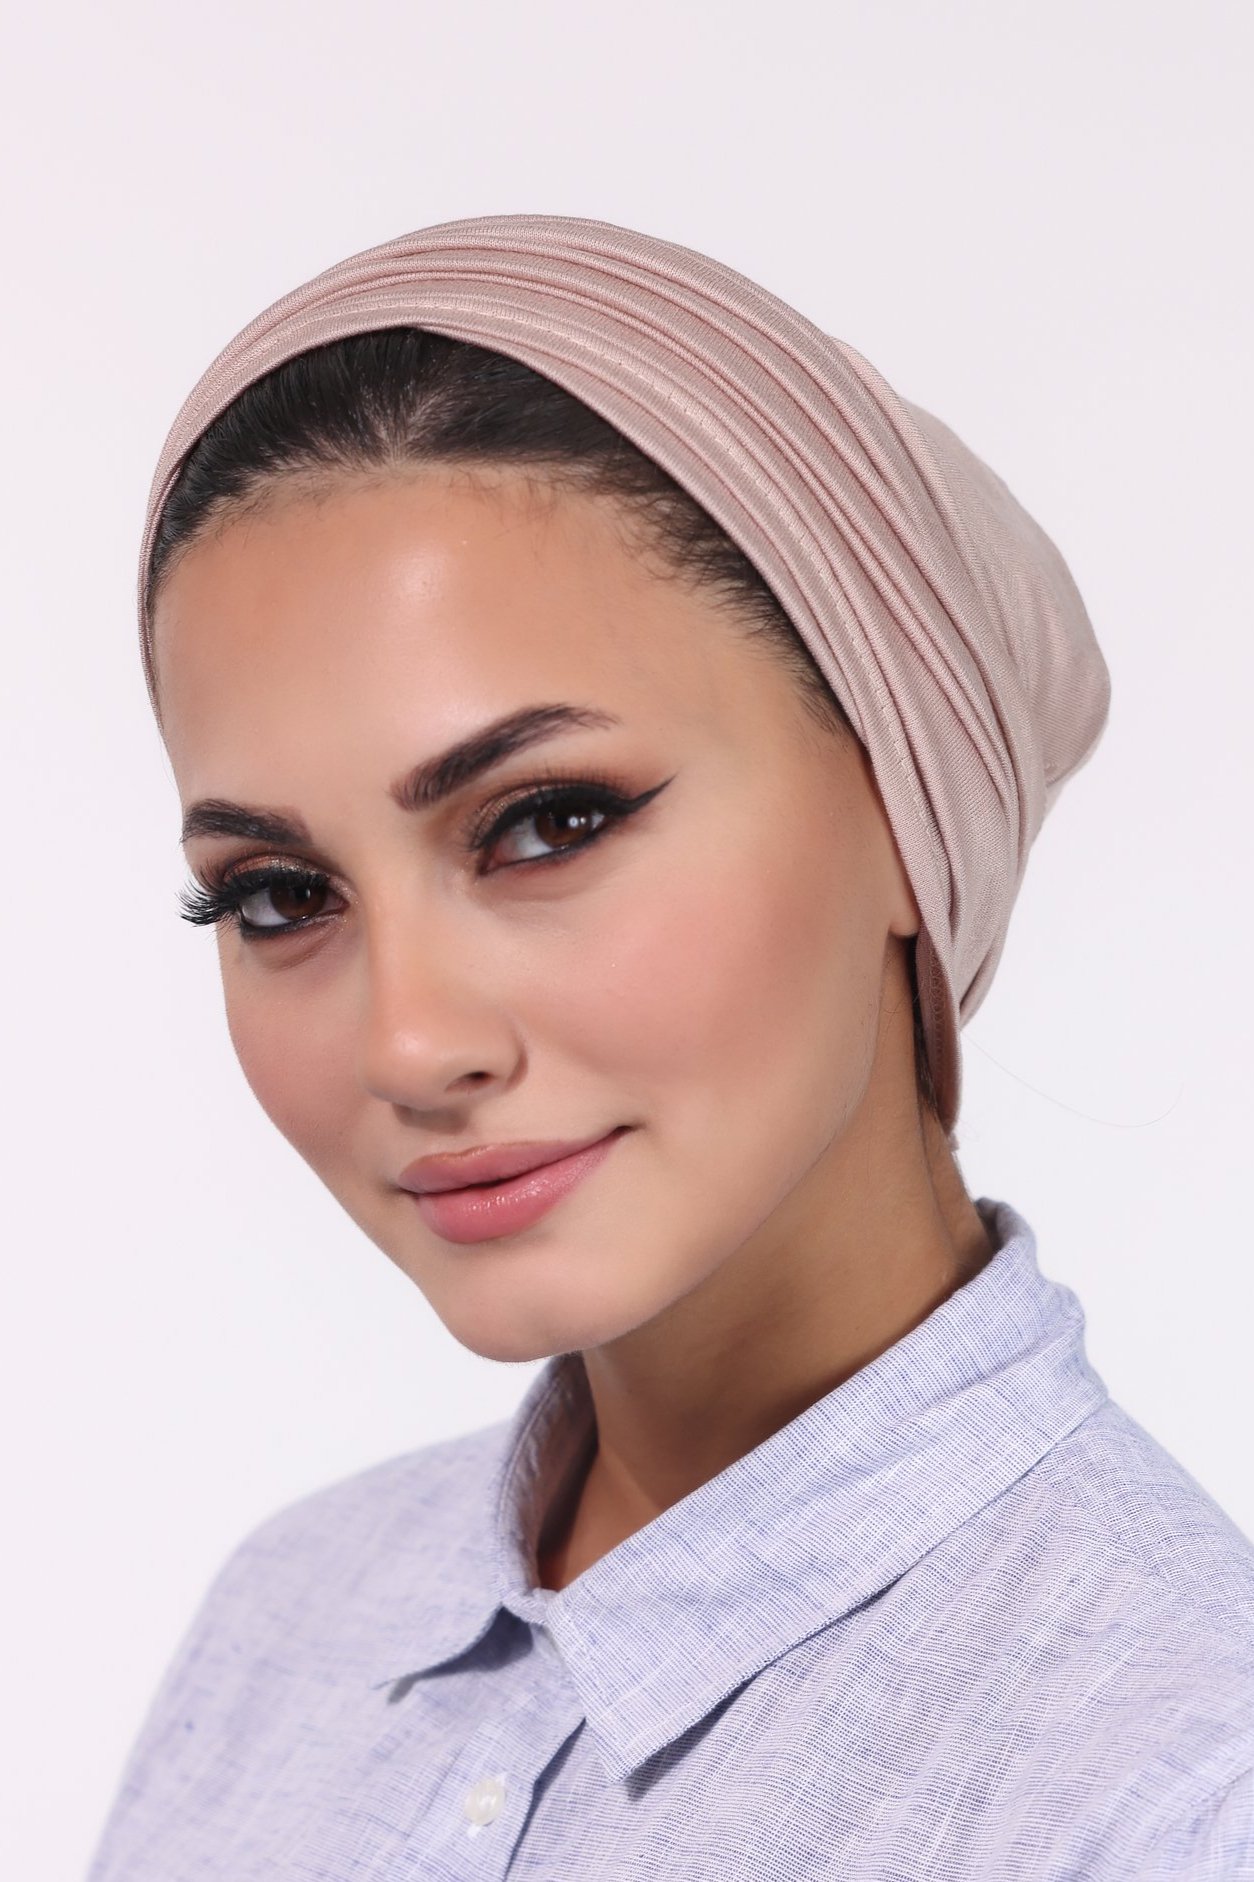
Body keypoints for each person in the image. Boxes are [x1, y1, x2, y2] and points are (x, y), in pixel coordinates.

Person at [86, 214, 1254, 1880]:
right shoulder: (293, 1622)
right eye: (279, 894)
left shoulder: (1182, 1789)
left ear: (903, 809)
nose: (410, 1041)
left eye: (547, 821)